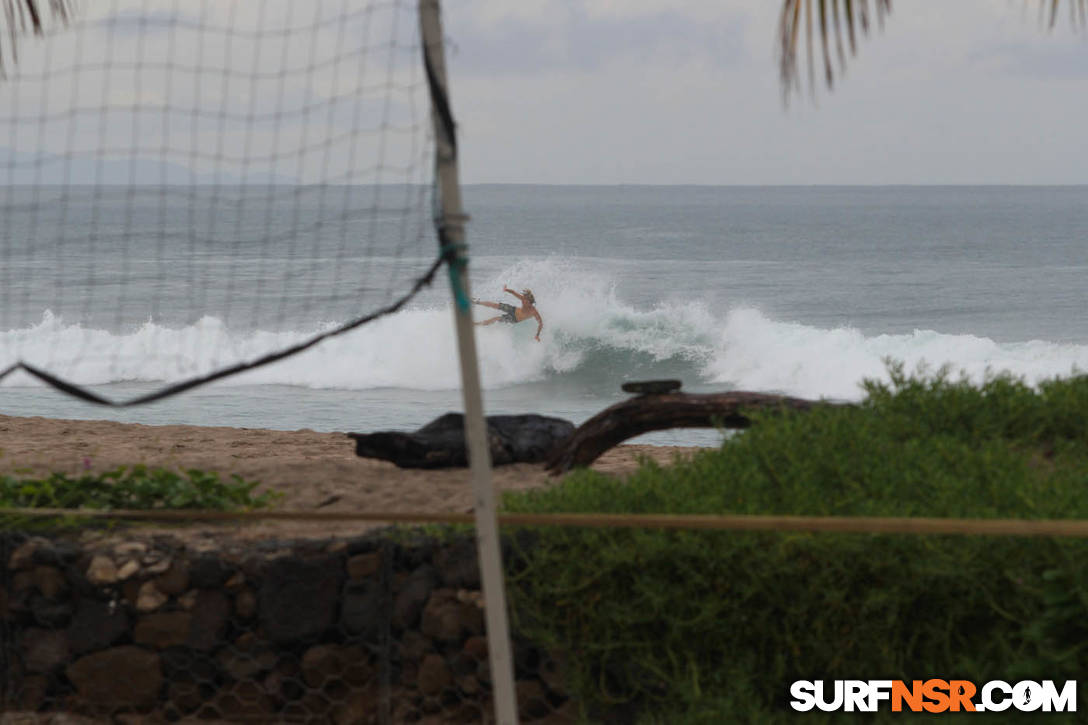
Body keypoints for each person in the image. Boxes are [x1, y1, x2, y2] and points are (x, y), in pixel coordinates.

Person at [473, 285, 543, 341]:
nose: (523, 301)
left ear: (530, 302)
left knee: (496, 318)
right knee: (494, 305)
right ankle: (477, 302)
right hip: (513, 309)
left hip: (514, 318)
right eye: (524, 299)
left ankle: (477, 324)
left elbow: (540, 323)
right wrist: (506, 290)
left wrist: (537, 335)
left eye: (526, 301)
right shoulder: (523, 299)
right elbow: (513, 292)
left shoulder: (534, 311)